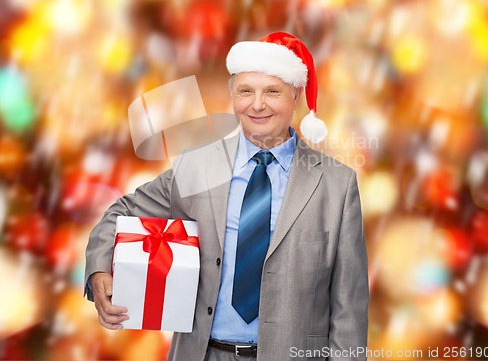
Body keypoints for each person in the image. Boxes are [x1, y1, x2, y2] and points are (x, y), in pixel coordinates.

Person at [85, 31, 369, 361]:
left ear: (295, 96)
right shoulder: (198, 166)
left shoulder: (336, 184)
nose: (257, 104)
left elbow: (349, 306)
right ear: (232, 95)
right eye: (246, 91)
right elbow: (122, 211)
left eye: (272, 92)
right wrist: (100, 270)